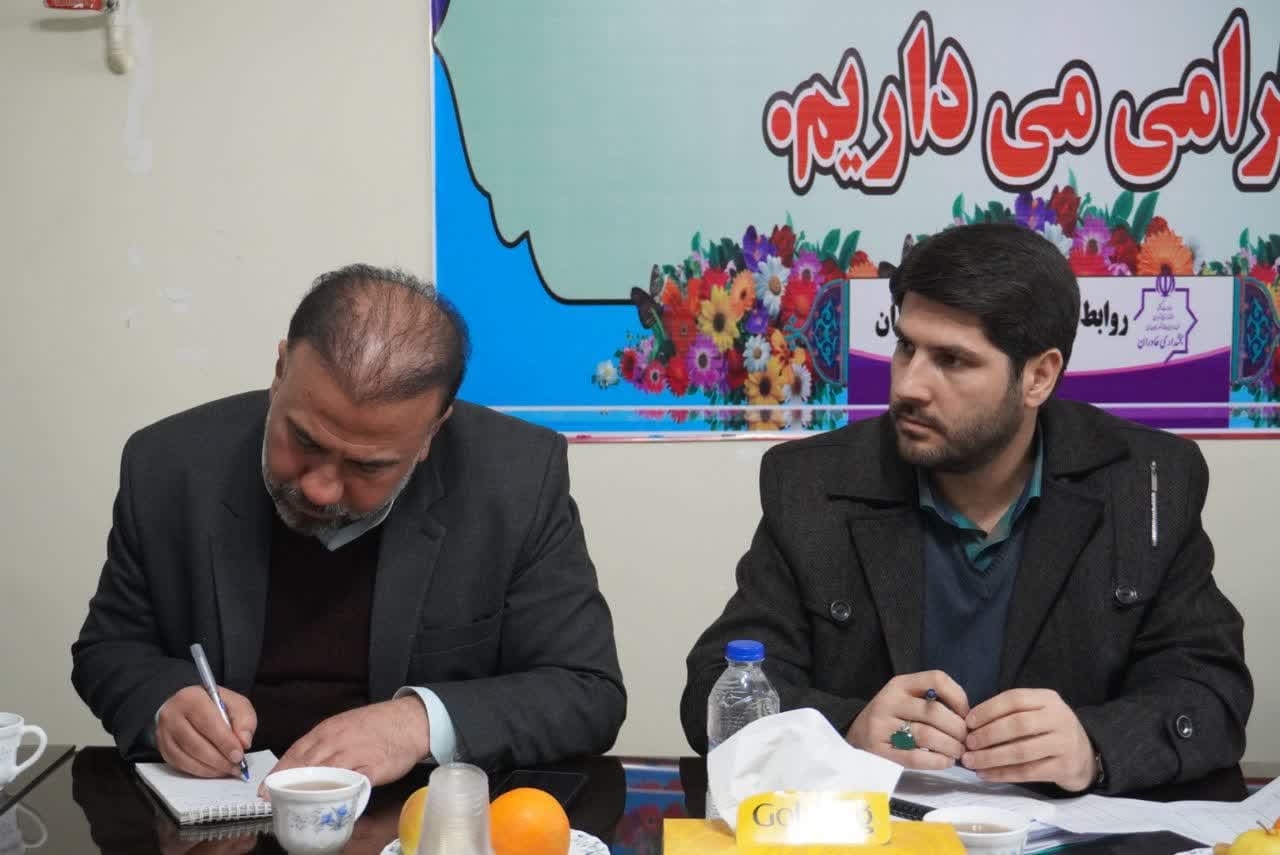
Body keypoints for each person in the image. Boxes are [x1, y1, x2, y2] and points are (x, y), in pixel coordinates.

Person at [680, 223, 1252, 794]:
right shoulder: (814, 483)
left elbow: (1211, 692)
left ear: (1038, 377)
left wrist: (1096, 746)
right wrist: (844, 731)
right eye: (906, 347)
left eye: (951, 360)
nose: (909, 386)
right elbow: (718, 684)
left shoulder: (1146, 483)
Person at [73, 264, 626, 786]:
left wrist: (415, 723)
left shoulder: (515, 480)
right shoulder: (168, 466)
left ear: (433, 432)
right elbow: (110, 648)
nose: (320, 488)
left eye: (368, 466)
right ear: (280, 371)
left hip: (412, 817)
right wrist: (164, 702)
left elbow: (586, 691)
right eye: (304, 440)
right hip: (225, 814)